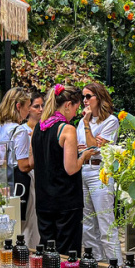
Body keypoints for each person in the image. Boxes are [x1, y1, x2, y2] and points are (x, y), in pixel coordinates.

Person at [30, 84, 91, 256]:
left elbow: (32, 161)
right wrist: (83, 156)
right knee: (67, 253)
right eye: (76, 108)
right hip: (66, 200)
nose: (75, 114)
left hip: (44, 200)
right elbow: (71, 168)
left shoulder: (38, 128)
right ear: (67, 105)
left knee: (47, 250)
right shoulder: (67, 129)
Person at [76, 82, 121, 262]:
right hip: (83, 170)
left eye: (88, 96)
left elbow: (93, 148)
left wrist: (87, 127)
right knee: (87, 224)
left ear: (99, 97)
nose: (84, 100)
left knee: (105, 222)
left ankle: (115, 265)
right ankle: (94, 263)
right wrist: (89, 145)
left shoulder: (111, 121)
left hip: (100, 172)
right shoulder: (81, 122)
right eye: (83, 97)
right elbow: (82, 147)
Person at [0, 87, 31, 219]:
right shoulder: (20, 131)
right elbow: (23, 165)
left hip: (1, 180)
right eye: (28, 106)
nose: (29, 110)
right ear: (18, 106)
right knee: (21, 221)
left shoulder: (0, 128)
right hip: (17, 183)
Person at [19, 92, 44, 248]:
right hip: (28, 176)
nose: (40, 109)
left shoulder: (45, 128)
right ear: (28, 109)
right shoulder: (22, 130)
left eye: (42, 106)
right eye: (36, 106)